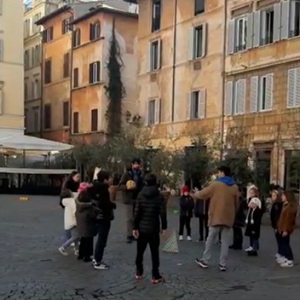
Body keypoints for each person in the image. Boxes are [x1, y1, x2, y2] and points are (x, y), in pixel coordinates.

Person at [192, 166, 239, 272]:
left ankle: (205, 260)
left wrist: (194, 194)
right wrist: (233, 214)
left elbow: (204, 194)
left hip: (216, 216)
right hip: (228, 217)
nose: (218, 174)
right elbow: (237, 203)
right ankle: (223, 264)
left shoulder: (216, 184)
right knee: (225, 241)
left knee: (210, 238)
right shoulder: (234, 187)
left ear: (222, 172)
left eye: (219, 172)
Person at [133, 173, 167, 284]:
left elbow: (137, 212)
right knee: (154, 253)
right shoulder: (159, 195)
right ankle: (155, 275)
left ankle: (139, 271)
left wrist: (135, 226)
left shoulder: (140, 195)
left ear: (145, 182)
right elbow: (162, 212)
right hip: (154, 227)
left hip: (142, 228)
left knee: (139, 251)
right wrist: (164, 226)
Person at [89, 170, 116, 270]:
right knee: (102, 239)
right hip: (104, 216)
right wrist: (113, 205)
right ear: (105, 179)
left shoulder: (92, 188)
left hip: (95, 215)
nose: (110, 180)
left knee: (100, 238)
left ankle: (96, 258)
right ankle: (97, 261)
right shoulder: (104, 189)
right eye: (109, 178)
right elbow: (105, 204)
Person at [119, 159, 144, 243]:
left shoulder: (140, 174)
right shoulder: (127, 174)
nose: (137, 166)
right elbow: (120, 185)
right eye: (135, 164)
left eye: (138, 164)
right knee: (129, 218)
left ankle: (135, 234)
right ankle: (129, 235)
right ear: (132, 164)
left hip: (137, 198)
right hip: (129, 198)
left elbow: (142, 185)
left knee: (137, 217)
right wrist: (127, 187)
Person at [75, 182, 99, 262]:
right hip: (88, 227)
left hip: (81, 226)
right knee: (88, 242)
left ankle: (81, 254)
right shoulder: (89, 207)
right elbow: (94, 215)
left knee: (83, 240)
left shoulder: (78, 205)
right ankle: (87, 256)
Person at [277, 190, 297, 267]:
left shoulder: (289, 207)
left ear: (287, 197)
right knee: (283, 243)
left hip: (285, 228)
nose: (282, 197)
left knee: (285, 244)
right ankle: (286, 257)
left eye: (283, 196)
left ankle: (290, 259)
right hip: (282, 227)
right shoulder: (285, 205)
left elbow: (288, 220)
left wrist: (285, 230)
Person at [58, 189, 80, 256]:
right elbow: (75, 211)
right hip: (74, 221)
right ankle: (63, 247)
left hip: (69, 222)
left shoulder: (65, 201)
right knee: (76, 236)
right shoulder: (72, 201)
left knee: (75, 236)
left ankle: (77, 250)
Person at [229, 185, 247, 250]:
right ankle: (235, 243)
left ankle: (239, 245)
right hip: (235, 216)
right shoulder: (236, 199)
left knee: (238, 231)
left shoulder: (243, 200)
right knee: (235, 230)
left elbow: (244, 210)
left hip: (239, 217)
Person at [270, 189, 283, 263]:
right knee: (278, 239)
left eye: (274, 196)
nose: (272, 197)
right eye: (272, 195)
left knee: (280, 240)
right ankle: (280, 252)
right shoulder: (276, 204)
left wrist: (276, 226)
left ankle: (281, 253)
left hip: (277, 225)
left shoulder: (277, 204)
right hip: (276, 225)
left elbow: (276, 216)